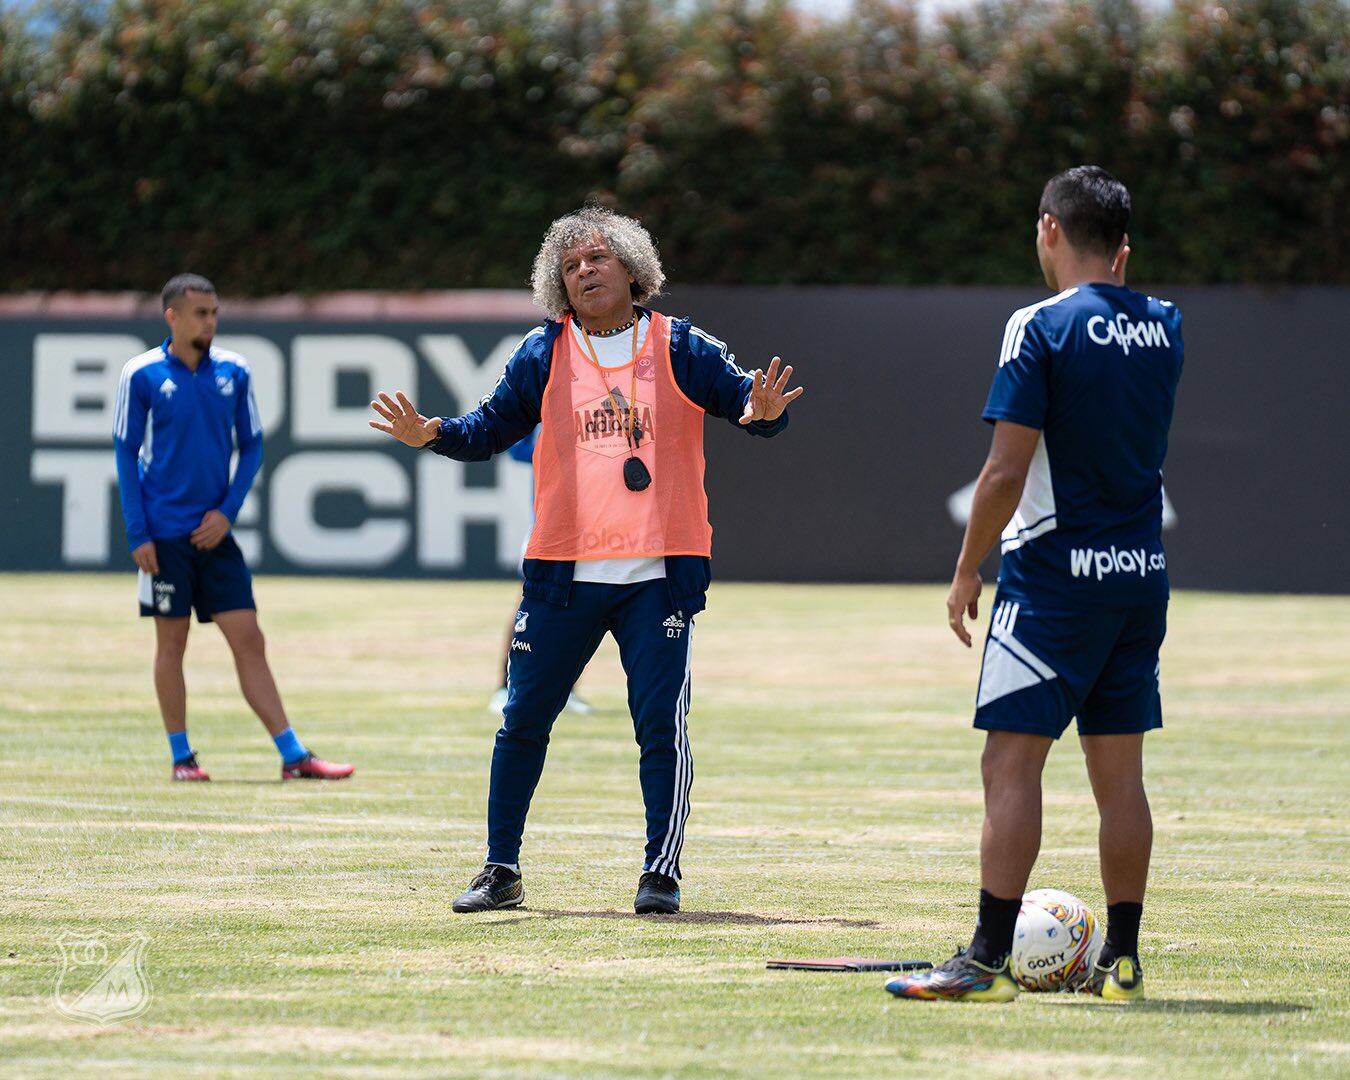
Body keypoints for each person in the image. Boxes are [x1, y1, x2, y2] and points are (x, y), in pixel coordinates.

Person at [370, 207, 803, 915]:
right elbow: (487, 429)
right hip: (563, 574)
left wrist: (765, 410)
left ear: (634, 269)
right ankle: (499, 869)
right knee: (521, 721)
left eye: (598, 259)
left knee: (660, 725)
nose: (584, 272)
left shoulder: (682, 345)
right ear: (556, 285)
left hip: (657, 578)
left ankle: (660, 874)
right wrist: (434, 433)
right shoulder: (541, 354)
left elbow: (747, 406)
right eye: (570, 266)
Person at [885, 167, 1182, 1002]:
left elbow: (1003, 473)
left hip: (1051, 581)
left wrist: (966, 567)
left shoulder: (1037, 326)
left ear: (1047, 228)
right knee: (1120, 778)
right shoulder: (1166, 326)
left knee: (1009, 765)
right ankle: (1122, 964)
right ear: (1123, 247)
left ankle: (983, 960)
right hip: (1139, 577)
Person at [113, 274, 354, 783]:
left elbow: (254, 446)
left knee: (249, 637)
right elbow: (125, 452)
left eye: (214, 312)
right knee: (171, 645)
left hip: (215, 536)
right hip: (164, 538)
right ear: (172, 317)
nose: (210, 321)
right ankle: (182, 758)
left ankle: (292, 755)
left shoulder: (235, 372)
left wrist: (227, 512)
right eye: (200, 312)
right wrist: (138, 533)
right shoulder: (141, 375)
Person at [488, 426, 593, 720]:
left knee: (585, 607)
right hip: (551, 525)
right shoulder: (547, 398)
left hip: (600, 526)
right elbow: (519, 449)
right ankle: (505, 687)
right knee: (532, 605)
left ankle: (567, 689)